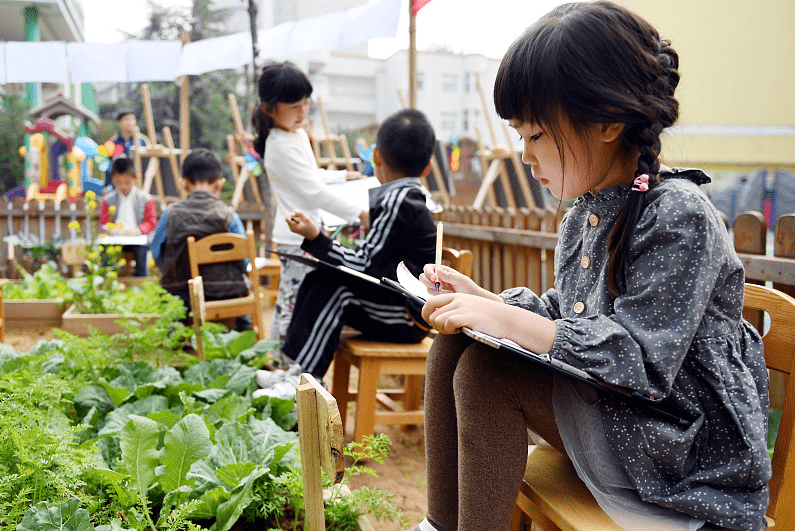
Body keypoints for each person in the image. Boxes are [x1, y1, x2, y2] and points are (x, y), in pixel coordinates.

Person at [409, 3, 771, 531]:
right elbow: (570, 316)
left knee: (488, 375)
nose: (526, 156)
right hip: (623, 418)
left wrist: (506, 321)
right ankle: (438, 525)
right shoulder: (588, 210)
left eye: (536, 135)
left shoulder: (679, 215)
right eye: (520, 136)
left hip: (685, 452)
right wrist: (485, 304)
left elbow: (642, 361)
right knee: (455, 346)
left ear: (606, 121)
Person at [272, 108, 437, 379]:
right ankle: (293, 371)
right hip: (401, 305)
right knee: (319, 279)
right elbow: (371, 262)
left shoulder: (399, 200)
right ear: (428, 166)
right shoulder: (406, 197)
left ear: (376, 156)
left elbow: (364, 264)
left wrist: (316, 238)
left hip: (408, 316)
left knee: (337, 293)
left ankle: (304, 380)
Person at [252, 61, 369, 345]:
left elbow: (310, 176)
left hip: (307, 233)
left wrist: (343, 176)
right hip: (296, 238)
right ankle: (282, 361)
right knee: (292, 304)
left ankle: (288, 361)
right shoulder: (280, 145)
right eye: (294, 106)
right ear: (269, 108)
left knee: (299, 301)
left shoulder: (296, 135)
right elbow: (315, 191)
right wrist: (361, 214)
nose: (303, 111)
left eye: (305, 102)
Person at [151, 148, 251, 331]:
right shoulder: (229, 216)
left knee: (170, 301)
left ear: (184, 183)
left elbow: (157, 254)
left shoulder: (170, 214)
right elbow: (244, 261)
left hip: (181, 298)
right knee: (242, 297)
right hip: (225, 297)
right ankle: (244, 332)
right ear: (219, 184)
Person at [100, 157, 158, 276]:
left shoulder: (145, 199)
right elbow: (104, 223)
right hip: (116, 239)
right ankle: (107, 279)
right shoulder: (108, 200)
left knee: (141, 252)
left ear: (135, 178)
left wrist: (138, 231)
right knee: (104, 252)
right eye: (118, 182)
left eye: (127, 182)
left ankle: (141, 280)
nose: (123, 186)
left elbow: (151, 223)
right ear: (113, 180)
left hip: (137, 239)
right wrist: (111, 230)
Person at [105, 110, 147, 187]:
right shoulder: (112, 143)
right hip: (119, 185)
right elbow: (108, 166)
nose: (130, 123)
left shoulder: (143, 141)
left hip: (140, 183)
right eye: (127, 119)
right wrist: (107, 186)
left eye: (133, 119)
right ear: (119, 122)